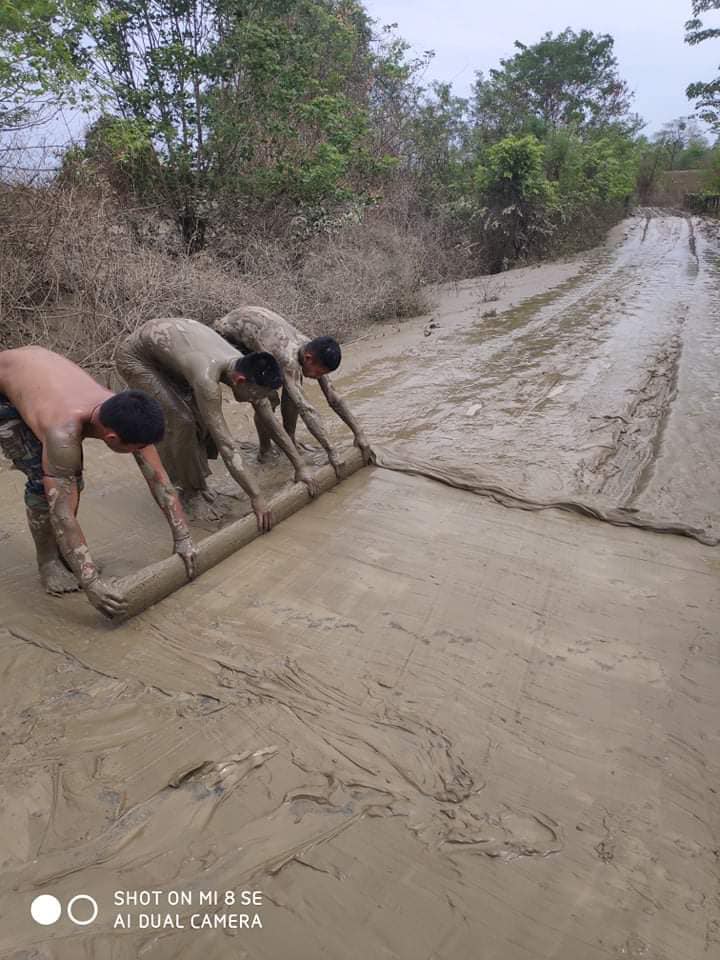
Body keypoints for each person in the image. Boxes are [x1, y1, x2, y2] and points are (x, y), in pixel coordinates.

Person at [0, 346, 197, 618]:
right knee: (45, 486)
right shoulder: (63, 432)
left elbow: (160, 480)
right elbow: (63, 513)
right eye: (135, 449)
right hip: (5, 389)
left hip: (35, 373)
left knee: (71, 482)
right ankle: (48, 563)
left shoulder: (124, 411)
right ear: (112, 439)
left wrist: (184, 538)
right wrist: (91, 582)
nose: (140, 452)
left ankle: (66, 555)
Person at [116, 317, 319, 531]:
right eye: (254, 395)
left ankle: (195, 481)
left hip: (173, 348)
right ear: (240, 381)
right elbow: (227, 445)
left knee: (202, 417)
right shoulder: (207, 378)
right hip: (137, 357)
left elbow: (268, 417)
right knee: (182, 421)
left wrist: (301, 466)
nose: (254, 399)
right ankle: (190, 492)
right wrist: (257, 497)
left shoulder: (247, 366)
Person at [213, 306, 373, 475]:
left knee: (293, 388)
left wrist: (359, 433)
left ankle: (289, 438)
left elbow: (333, 397)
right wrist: (332, 451)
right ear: (309, 359)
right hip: (226, 337)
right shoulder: (287, 358)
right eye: (319, 373)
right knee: (266, 398)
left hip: (258, 332)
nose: (319, 377)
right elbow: (306, 409)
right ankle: (265, 451)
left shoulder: (309, 346)